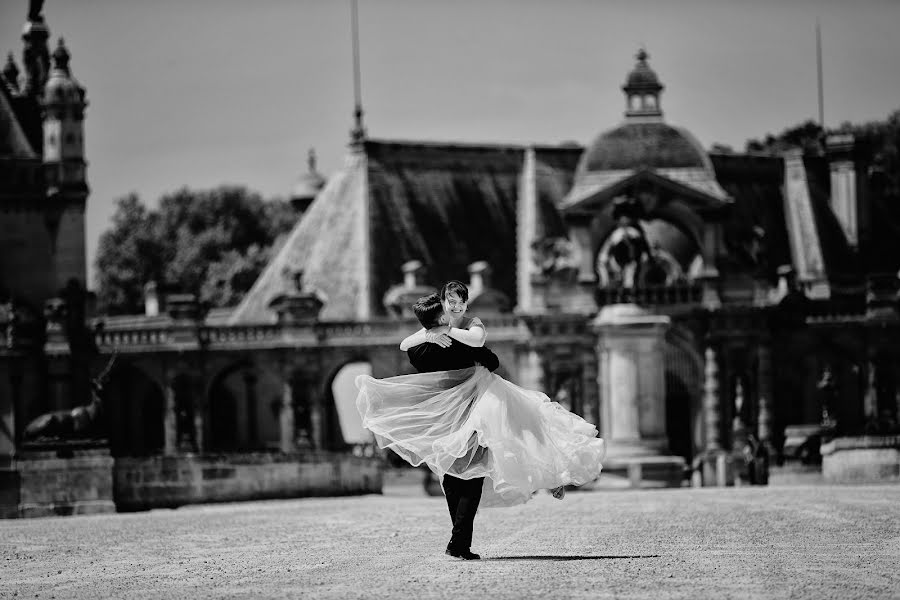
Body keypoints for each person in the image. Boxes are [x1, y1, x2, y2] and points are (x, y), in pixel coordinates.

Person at [355, 284, 605, 560]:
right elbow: (492, 359)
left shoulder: (419, 351)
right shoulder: (460, 340)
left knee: (453, 477)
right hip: (478, 408)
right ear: (440, 312)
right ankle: (463, 539)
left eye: (459, 302)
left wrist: (434, 332)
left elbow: (406, 344)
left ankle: (459, 541)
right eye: (449, 304)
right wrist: (446, 335)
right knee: (523, 432)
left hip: (446, 418)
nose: (455, 308)